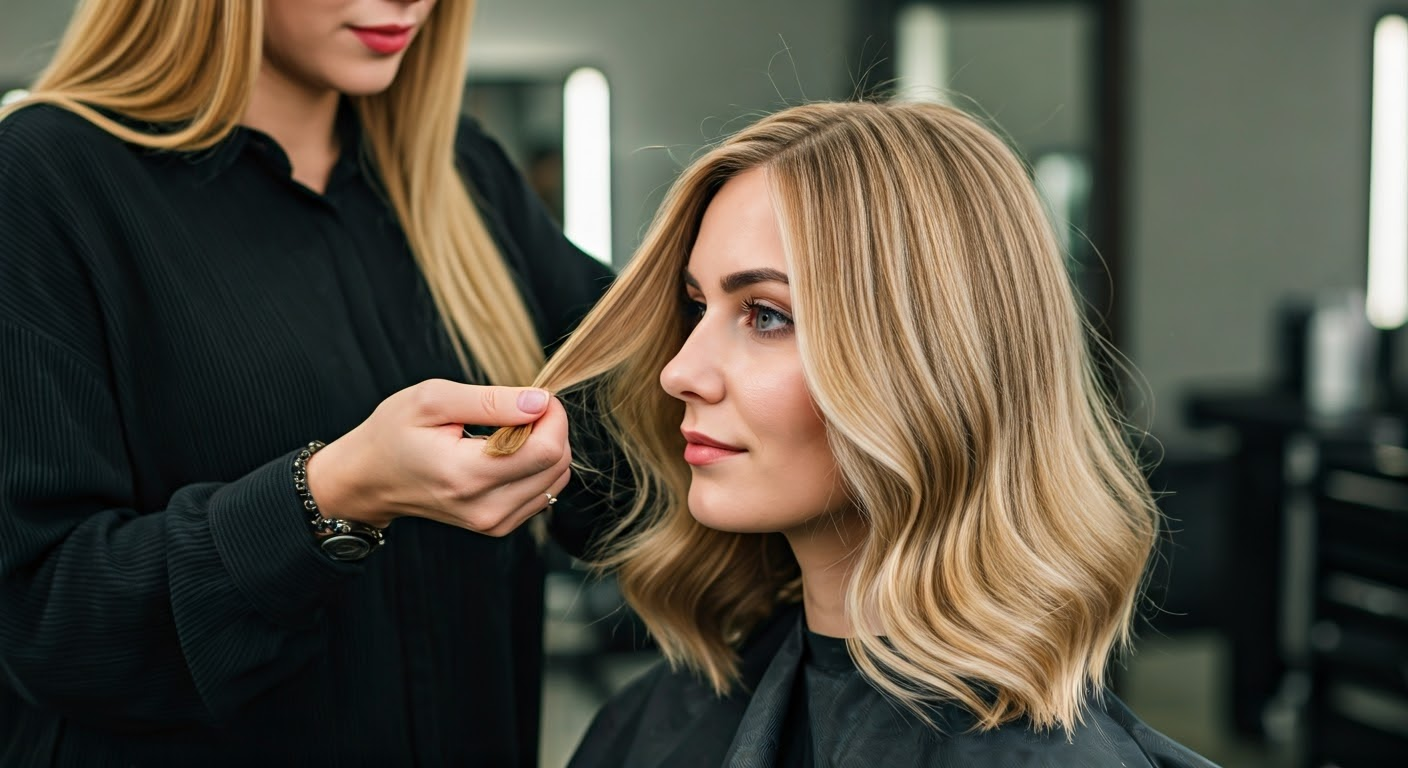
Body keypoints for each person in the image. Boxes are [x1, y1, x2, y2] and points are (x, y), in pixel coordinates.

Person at [486, 101, 1217, 766]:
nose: (680, 370)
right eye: (695, 305)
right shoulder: (654, 723)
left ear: (929, 366)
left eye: (766, 314)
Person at [0, 0, 615, 764]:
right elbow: (44, 621)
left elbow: (632, 463)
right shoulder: (45, 176)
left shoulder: (462, 172)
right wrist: (328, 496)